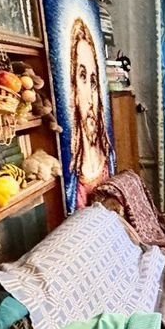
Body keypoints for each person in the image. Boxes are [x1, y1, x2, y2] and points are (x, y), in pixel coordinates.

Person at [68, 16, 112, 208]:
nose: (91, 96)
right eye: (82, 77)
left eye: (94, 82)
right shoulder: (72, 179)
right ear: (73, 89)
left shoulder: (108, 159)